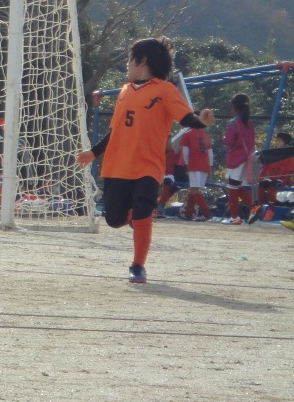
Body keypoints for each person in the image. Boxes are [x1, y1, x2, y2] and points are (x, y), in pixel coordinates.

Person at [77, 38, 214, 283]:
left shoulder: (165, 90)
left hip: (148, 166)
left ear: (142, 61)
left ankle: (137, 265)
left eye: (130, 59)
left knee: (143, 211)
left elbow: (186, 118)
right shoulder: (124, 91)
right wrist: (93, 153)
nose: (127, 65)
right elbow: (114, 131)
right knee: (114, 219)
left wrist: (201, 122)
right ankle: (133, 216)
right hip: (118, 165)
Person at [221, 93, 256, 225]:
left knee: (232, 187)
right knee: (235, 186)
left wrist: (223, 138)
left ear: (234, 106)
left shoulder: (233, 122)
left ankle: (235, 216)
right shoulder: (249, 122)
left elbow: (229, 142)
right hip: (247, 158)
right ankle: (255, 207)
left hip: (235, 158)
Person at [250, 132, 293, 223]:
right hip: (272, 180)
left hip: (283, 182)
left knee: (273, 184)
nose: (277, 143)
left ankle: (271, 209)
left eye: (279, 141)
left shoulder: (290, 156)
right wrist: (259, 179)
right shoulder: (271, 155)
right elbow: (264, 170)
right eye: (276, 141)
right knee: (262, 184)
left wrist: (282, 181)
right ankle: (258, 208)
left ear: (286, 144)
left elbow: (288, 174)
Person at [176, 125, 212, 221]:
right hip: (204, 164)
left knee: (195, 190)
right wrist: (210, 166)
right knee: (193, 189)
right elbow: (210, 152)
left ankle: (207, 213)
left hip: (194, 164)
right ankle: (188, 213)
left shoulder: (188, 134)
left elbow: (185, 151)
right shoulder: (204, 134)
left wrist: (187, 164)